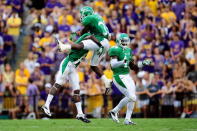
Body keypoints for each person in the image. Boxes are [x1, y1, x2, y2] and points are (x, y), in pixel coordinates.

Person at [42, 33, 94, 123]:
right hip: (67, 64)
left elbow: (79, 53)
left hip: (73, 68)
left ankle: (80, 114)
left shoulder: (87, 46)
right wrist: (65, 45)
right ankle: (46, 105)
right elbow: (73, 45)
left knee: (77, 90)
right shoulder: (82, 42)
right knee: (58, 84)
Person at [57, 6, 111, 90]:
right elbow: (85, 30)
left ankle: (64, 47)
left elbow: (84, 24)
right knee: (93, 65)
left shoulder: (90, 18)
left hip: (99, 40)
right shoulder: (96, 18)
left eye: (82, 14)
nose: (81, 16)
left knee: (81, 45)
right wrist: (78, 33)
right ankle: (106, 80)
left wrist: (79, 33)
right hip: (105, 43)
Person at [108, 33, 151, 125]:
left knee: (133, 97)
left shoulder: (128, 50)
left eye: (126, 41)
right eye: (123, 41)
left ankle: (127, 119)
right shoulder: (115, 49)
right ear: (118, 41)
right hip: (118, 76)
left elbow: (132, 66)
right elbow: (113, 64)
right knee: (131, 96)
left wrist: (142, 63)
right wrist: (123, 61)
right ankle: (114, 111)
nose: (124, 43)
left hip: (127, 75)